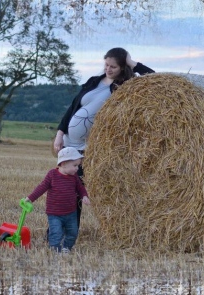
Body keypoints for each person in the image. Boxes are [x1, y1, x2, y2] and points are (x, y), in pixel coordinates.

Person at [52, 47, 154, 227]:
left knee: (86, 189)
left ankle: (116, 227)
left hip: (92, 148)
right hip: (69, 143)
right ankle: (62, 231)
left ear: (122, 67)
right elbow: (73, 107)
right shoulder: (94, 81)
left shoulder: (126, 86)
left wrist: (132, 63)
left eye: (113, 66)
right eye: (106, 64)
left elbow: (153, 79)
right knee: (67, 190)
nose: (108, 69)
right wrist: (60, 133)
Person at [25, 147, 91, 253]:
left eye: (78, 165)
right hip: (54, 214)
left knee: (73, 232)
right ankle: (55, 250)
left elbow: (80, 188)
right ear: (64, 163)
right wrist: (30, 198)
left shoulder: (74, 177)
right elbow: (41, 187)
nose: (77, 169)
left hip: (71, 213)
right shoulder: (52, 175)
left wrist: (84, 196)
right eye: (75, 165)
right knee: (56, 233)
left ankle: (66, 248)